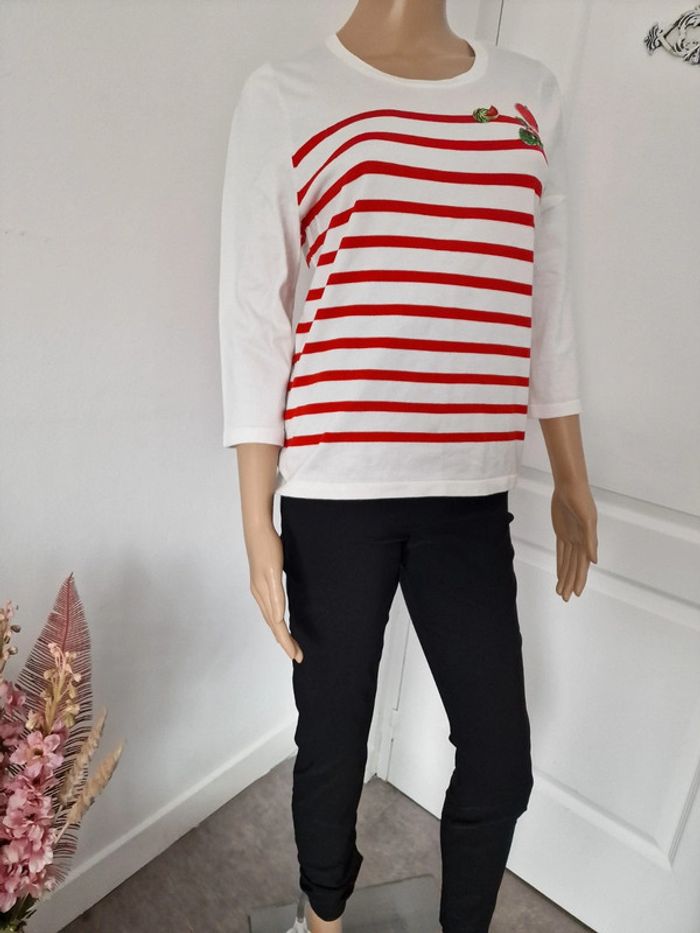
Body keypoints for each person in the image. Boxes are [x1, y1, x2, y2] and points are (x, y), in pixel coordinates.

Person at [218, 2, 598, 931]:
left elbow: (545, 296)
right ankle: (323, 916)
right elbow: (255, 315)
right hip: (334, 488)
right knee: (332, 739)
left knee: (500, 758)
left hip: (470, 492)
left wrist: (572, 473)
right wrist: (255, 518)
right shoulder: (286, 93)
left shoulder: (530, 95)